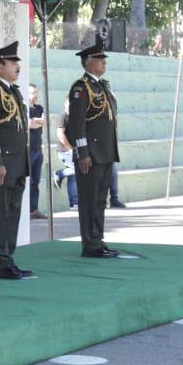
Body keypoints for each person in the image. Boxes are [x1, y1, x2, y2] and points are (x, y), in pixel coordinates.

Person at [0, 41, 33, 279]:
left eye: (17, 62)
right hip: (2, 165)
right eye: (12, 62)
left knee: (13, 213)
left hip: (18, 163)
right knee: (1, 214)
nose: (17, 66)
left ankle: (8, 259)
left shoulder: (14, 91)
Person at [66, 38, 120, 258]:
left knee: (100, 199)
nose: (103, 62)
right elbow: (77, 125)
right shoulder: (81, 88)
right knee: (89, 201)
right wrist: (83, 153)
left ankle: (97, 239)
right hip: (91, 154)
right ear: (88, 62)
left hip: (105, 152)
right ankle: (90, 244)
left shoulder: (102, 85)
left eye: (103, 58)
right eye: (99, 59)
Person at [54, 100, 79, 209]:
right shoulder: (63, 116)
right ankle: (60, 174)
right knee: (77, 170)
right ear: (65, 104)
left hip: (73, 150)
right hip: (65, 151)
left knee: (73, 177)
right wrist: (70, 149)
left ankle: (74, 203)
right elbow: (60, 134)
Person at [27, 83, 46, 219]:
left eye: (36, 92)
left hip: (38, 149)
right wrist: (36, 121)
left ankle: (34, 210)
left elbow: (45, 121)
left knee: (36, 182)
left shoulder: (40, 108)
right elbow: (29, 124)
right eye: (33, 93)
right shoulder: (25, 108)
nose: (36, 95)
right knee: (28, 180)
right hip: (28, 149)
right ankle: (25, 211)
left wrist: (36, 121)